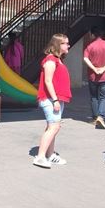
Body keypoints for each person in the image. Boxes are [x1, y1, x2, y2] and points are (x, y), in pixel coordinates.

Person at [33, 33, 72, 168]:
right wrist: (55, 100)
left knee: (52, 127)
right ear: (58, 45)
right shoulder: (50, 60)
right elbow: (48, 81)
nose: (68, 45)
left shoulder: (57, 59)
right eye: (65, 43)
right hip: (50, 99)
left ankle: (49, 155)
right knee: (54, 127)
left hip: (56, 99)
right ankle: (40, 156)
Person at [83, 26, 105, 129]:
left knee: (94, 97)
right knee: (104, 97)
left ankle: (94, 117)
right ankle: (101, 117)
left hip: (93, 76)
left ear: (93, 34)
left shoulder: (90, 45)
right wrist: (103, 68)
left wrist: (94, 68)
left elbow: (85, 58)